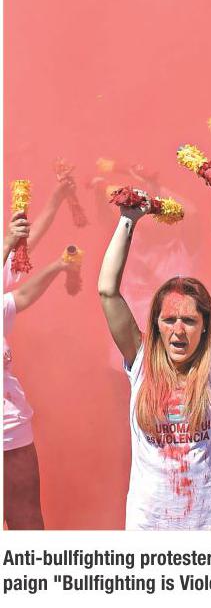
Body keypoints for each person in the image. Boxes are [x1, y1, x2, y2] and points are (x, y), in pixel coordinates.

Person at [97, 175, 211, 529]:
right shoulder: (141, 363)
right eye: (169, 320)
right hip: (149, 533)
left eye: (189, 321)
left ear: (206, 326)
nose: (178, 331)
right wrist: (127, 220)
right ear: (156, 324)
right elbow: (107, 291)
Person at [3, 212, 80, 529]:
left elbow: (21, 296)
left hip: (11, 431)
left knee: (27, 524)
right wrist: (7, 244)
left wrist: (58, 265)